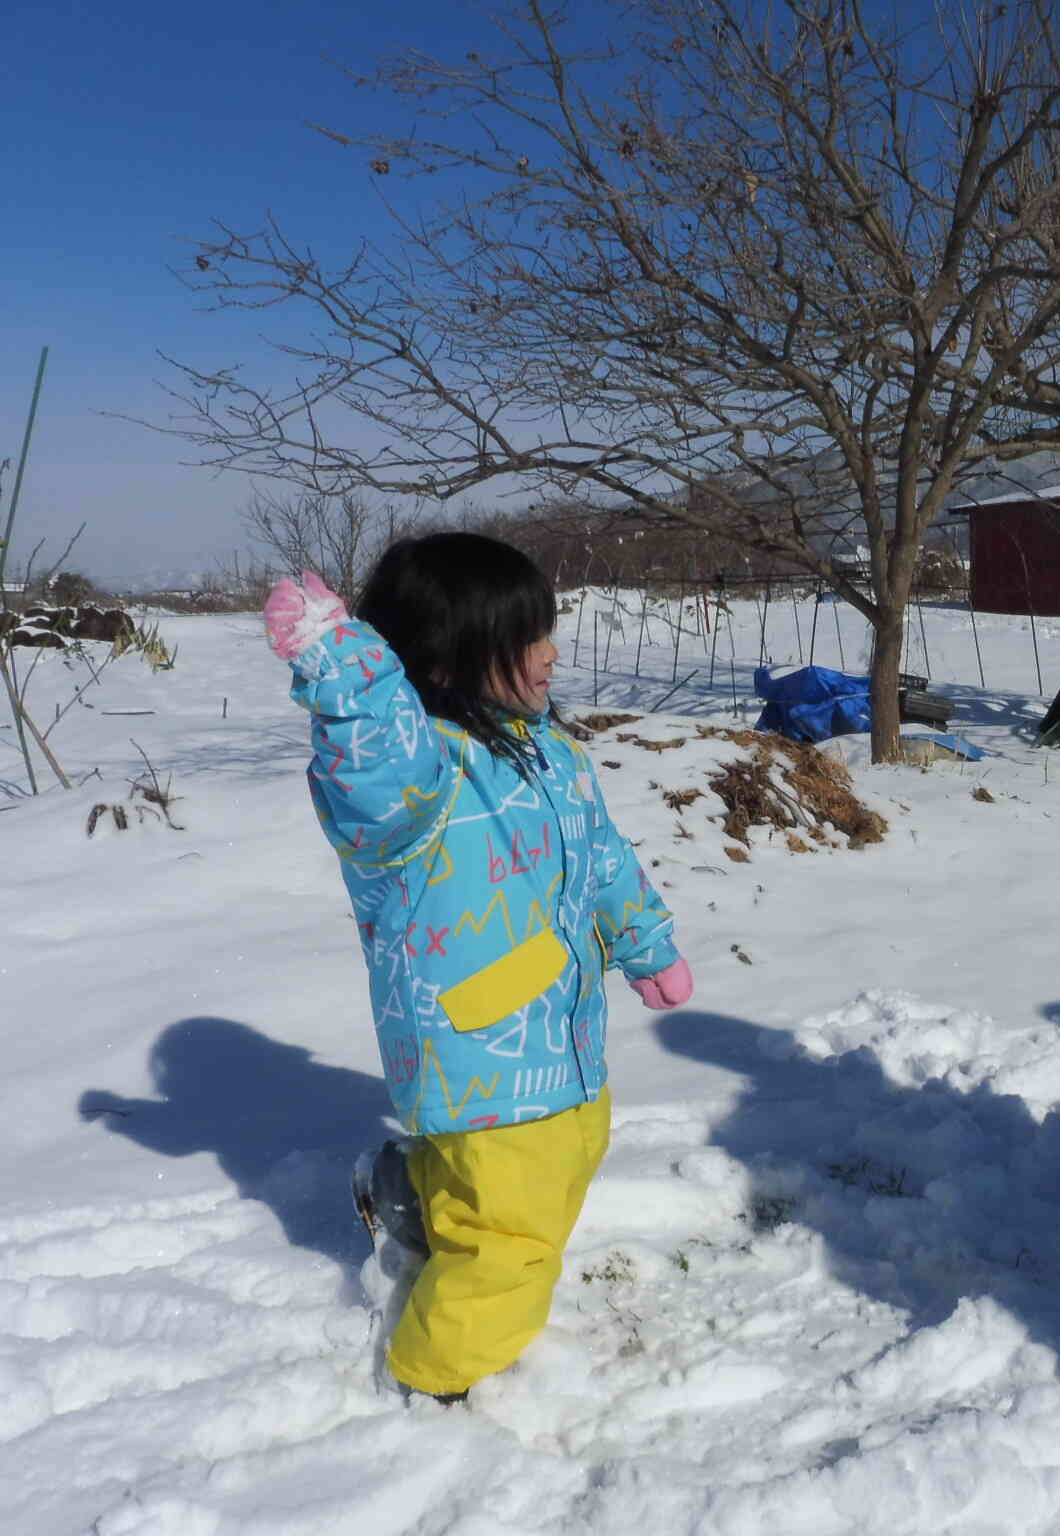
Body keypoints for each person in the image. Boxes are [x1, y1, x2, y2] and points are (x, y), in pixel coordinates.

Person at [262, 532, 693, 1404]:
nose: (551, 655)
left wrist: (646, 940)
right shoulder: (419, 778)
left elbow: (602, 858)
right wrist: (343, 663)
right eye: (529, 637)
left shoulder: (551, 754)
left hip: (560, 1036)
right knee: (513, 1242)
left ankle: (409, 1190)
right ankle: (435, 1380)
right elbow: (373, 760)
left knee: (564, 1162)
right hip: (480, 1049)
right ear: (456, 653)